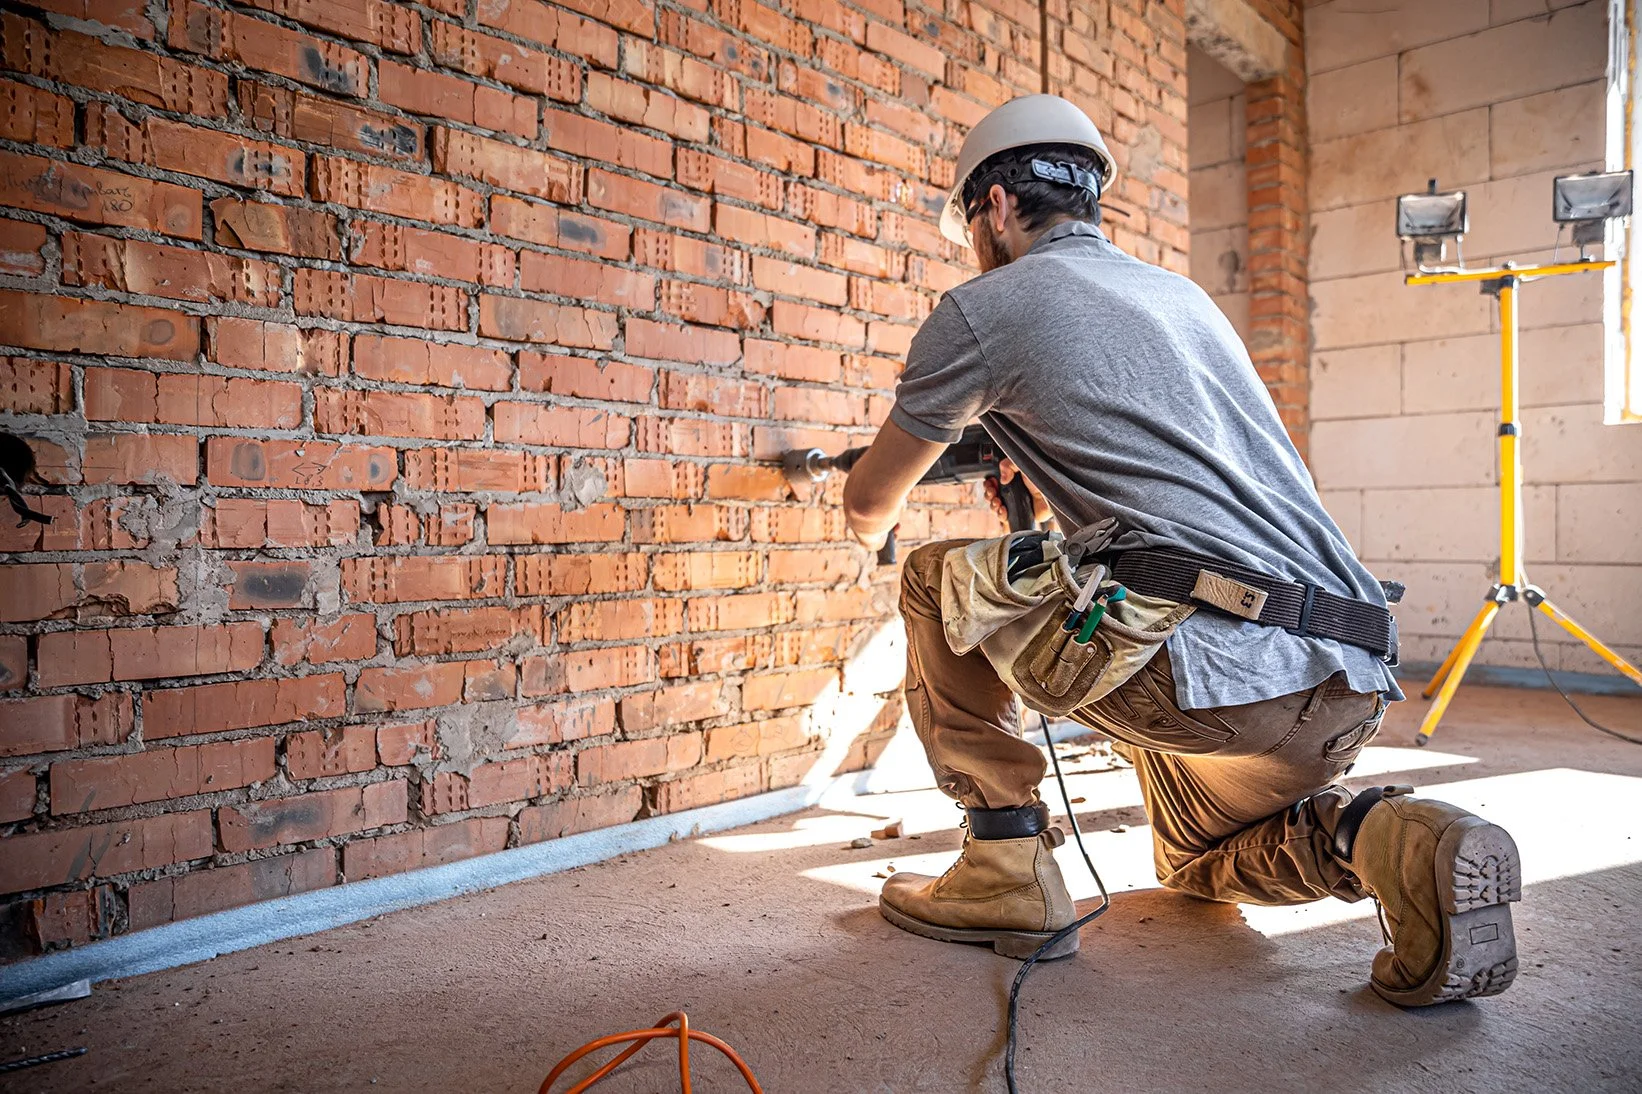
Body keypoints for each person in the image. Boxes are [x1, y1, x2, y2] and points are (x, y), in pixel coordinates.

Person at [839, 94, 1521, 1006]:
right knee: (1193, 860)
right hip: (1343, 677)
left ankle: (1002, 857)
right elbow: (1172, 480)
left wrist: (894, 502)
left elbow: (868, 502)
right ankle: (1385, 837)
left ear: (995, 206)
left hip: (1206, 674)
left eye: (973, 222)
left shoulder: (982, 309)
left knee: (934, 581)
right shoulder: (1180, 297)